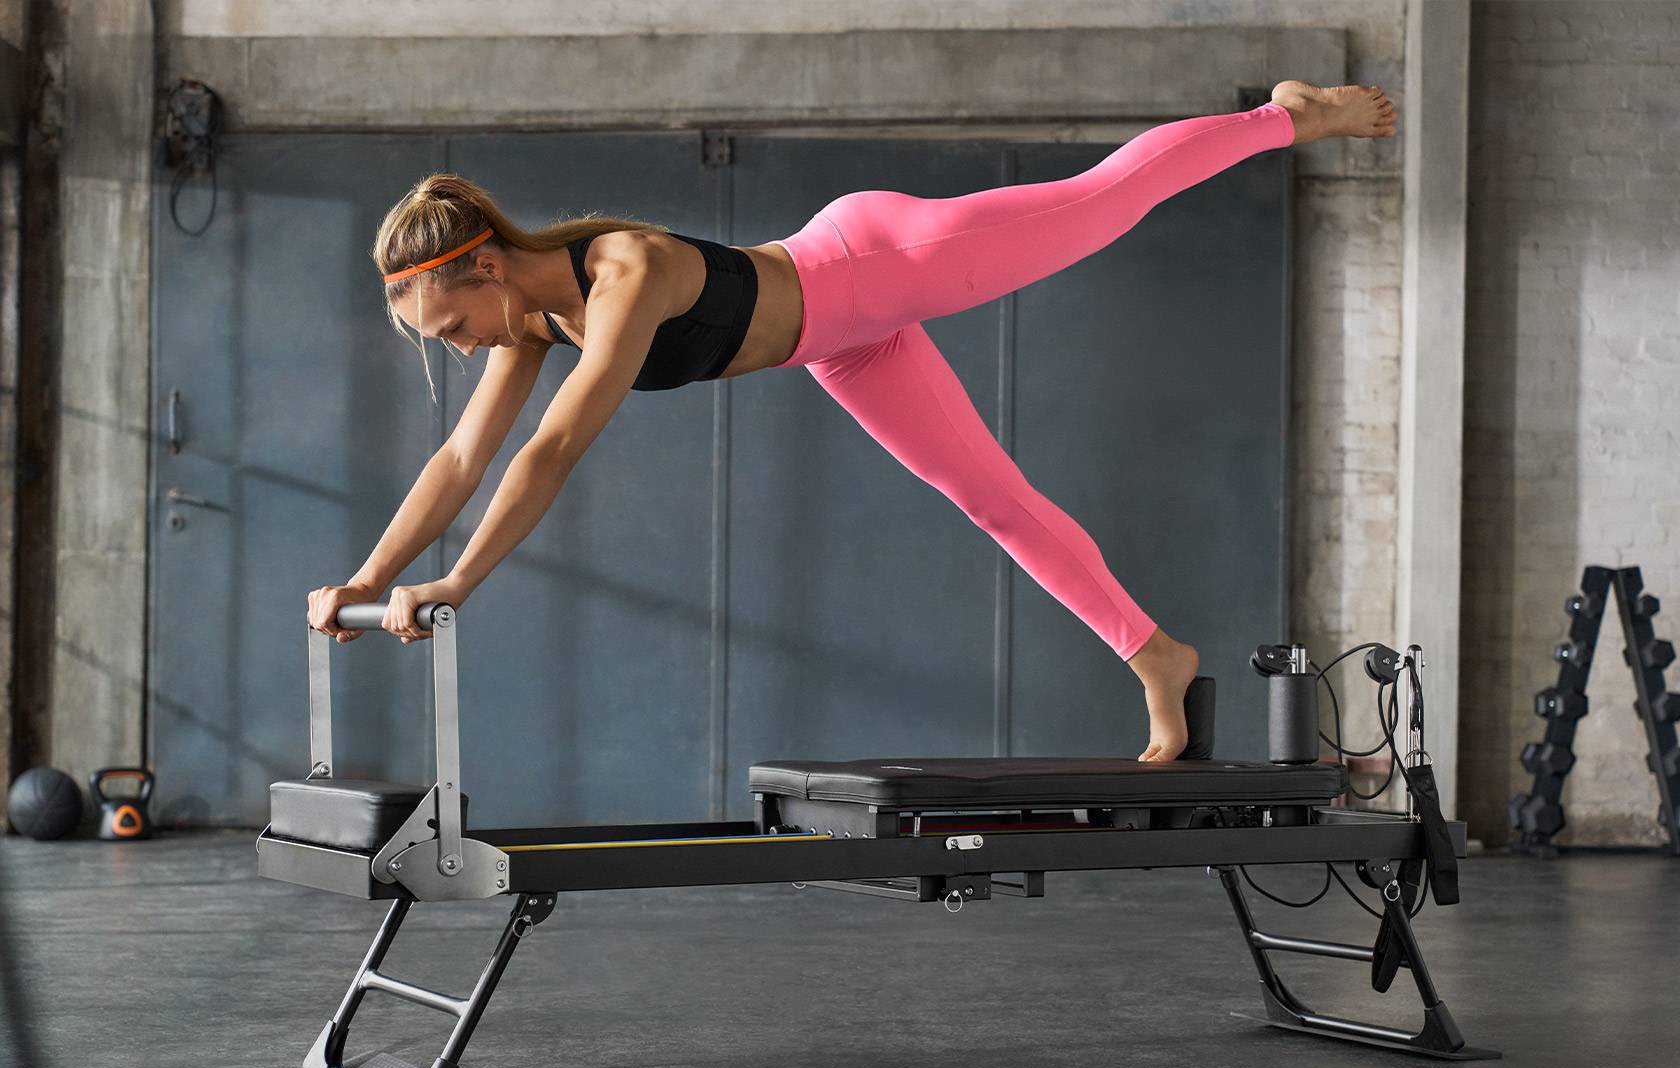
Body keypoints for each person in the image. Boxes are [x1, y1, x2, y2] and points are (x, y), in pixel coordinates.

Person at [308, 80, 1396, 762]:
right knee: (991, 500)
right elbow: (462, 457)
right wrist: (368, 576)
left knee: (1102, 200)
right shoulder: (532, 320)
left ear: (487, 263)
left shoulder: (621, 272)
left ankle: (1282, 117)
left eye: (452, 323)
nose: (460, 348)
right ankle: (1156, 654)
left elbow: (552, 449)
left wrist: (458, 582)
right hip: (840, 340)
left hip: (878, 261)